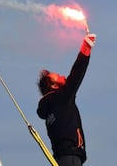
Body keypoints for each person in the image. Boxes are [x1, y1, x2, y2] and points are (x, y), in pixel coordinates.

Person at [37, 33, 96, 166]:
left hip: (60, 159)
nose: (62, 76)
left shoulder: (50, 107)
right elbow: (77, 73)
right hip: (70, 158)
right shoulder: (60, 99)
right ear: (53, 86)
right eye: (58, 76)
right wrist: (86, 47)